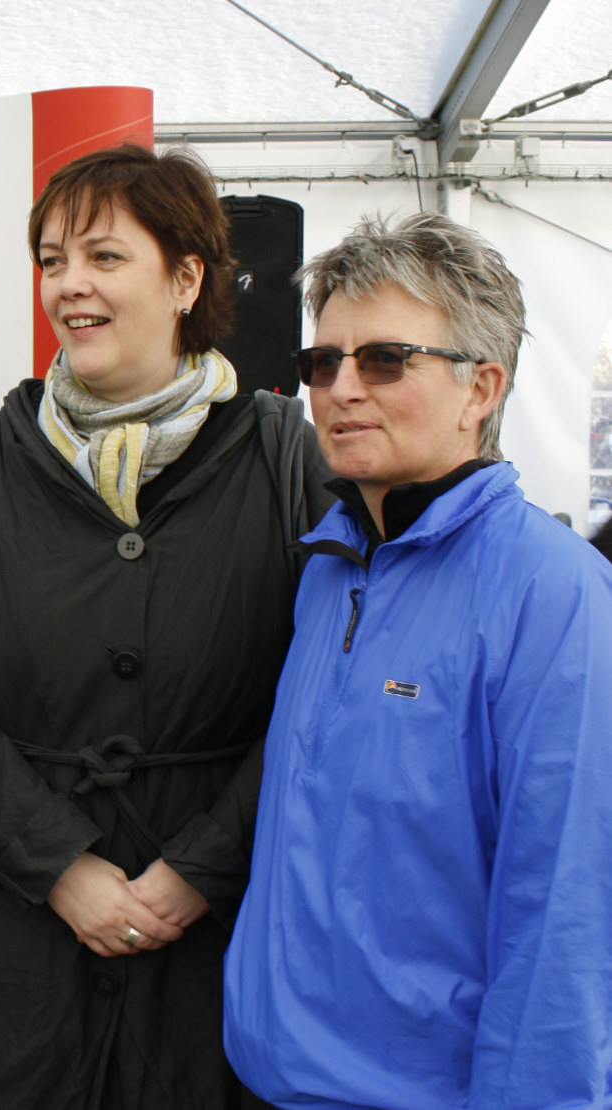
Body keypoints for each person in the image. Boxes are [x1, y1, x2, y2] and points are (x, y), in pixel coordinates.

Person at [0, 143, 332, 1109]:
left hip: (215, 932)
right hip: (1, 926)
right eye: (50, 261)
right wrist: (58, 865)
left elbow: (327, 692)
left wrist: (203, 866)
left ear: (185, 277)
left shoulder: (287, 460)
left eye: (103, 257)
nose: (68, 286)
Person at [224, 212, 612, 1109]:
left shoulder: (555, 596)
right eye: (323, 363)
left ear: (481, 388)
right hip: (263, 1076)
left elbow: (566, 919)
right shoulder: (331, 563)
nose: (340, 388)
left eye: (384, 359)